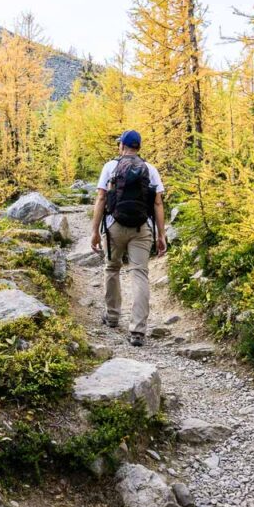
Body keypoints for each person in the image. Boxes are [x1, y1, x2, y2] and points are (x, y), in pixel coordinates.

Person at [91, 130, 168, 346]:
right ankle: (138, 331)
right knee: (140, 274)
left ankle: (113, 316)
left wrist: (95, 231)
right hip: (142, 228)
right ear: (138, 147)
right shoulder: (150, 169)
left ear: (122, 146)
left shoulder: (110, 167)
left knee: (112, 268)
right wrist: (161, 234)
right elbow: (158, 203)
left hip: (114, 225)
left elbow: (100, 198)